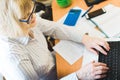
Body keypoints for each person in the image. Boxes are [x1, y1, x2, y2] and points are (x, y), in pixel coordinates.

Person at [0, 0, 110, 80]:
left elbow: (54, 28)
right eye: (27, 16)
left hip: (55, 63)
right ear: (13, 24)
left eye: (32, 10)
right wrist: (79, 76)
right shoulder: (12, 56)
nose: (34, 16)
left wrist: (85, 38)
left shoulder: (27, 19)